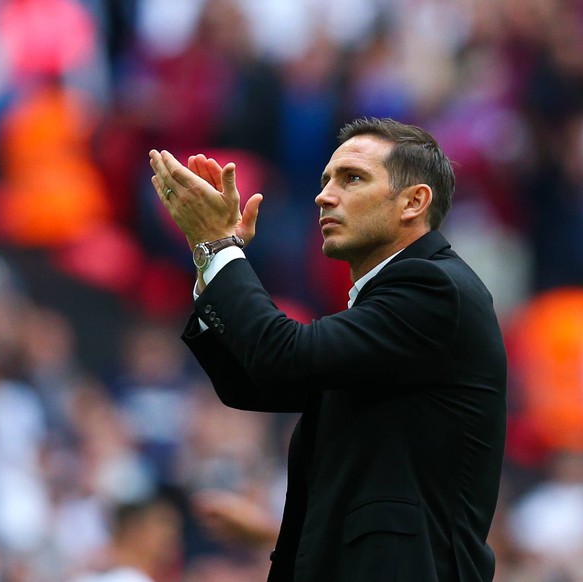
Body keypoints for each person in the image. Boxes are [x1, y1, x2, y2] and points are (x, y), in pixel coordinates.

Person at [148, 117, 507, 581]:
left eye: (352, 178)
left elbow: (283, 358)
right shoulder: (394, 304)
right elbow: (253, 382)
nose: (324, 196)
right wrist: (208, 258)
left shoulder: (435, 287)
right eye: (324, 180)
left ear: (414, 202)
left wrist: (218, 248)